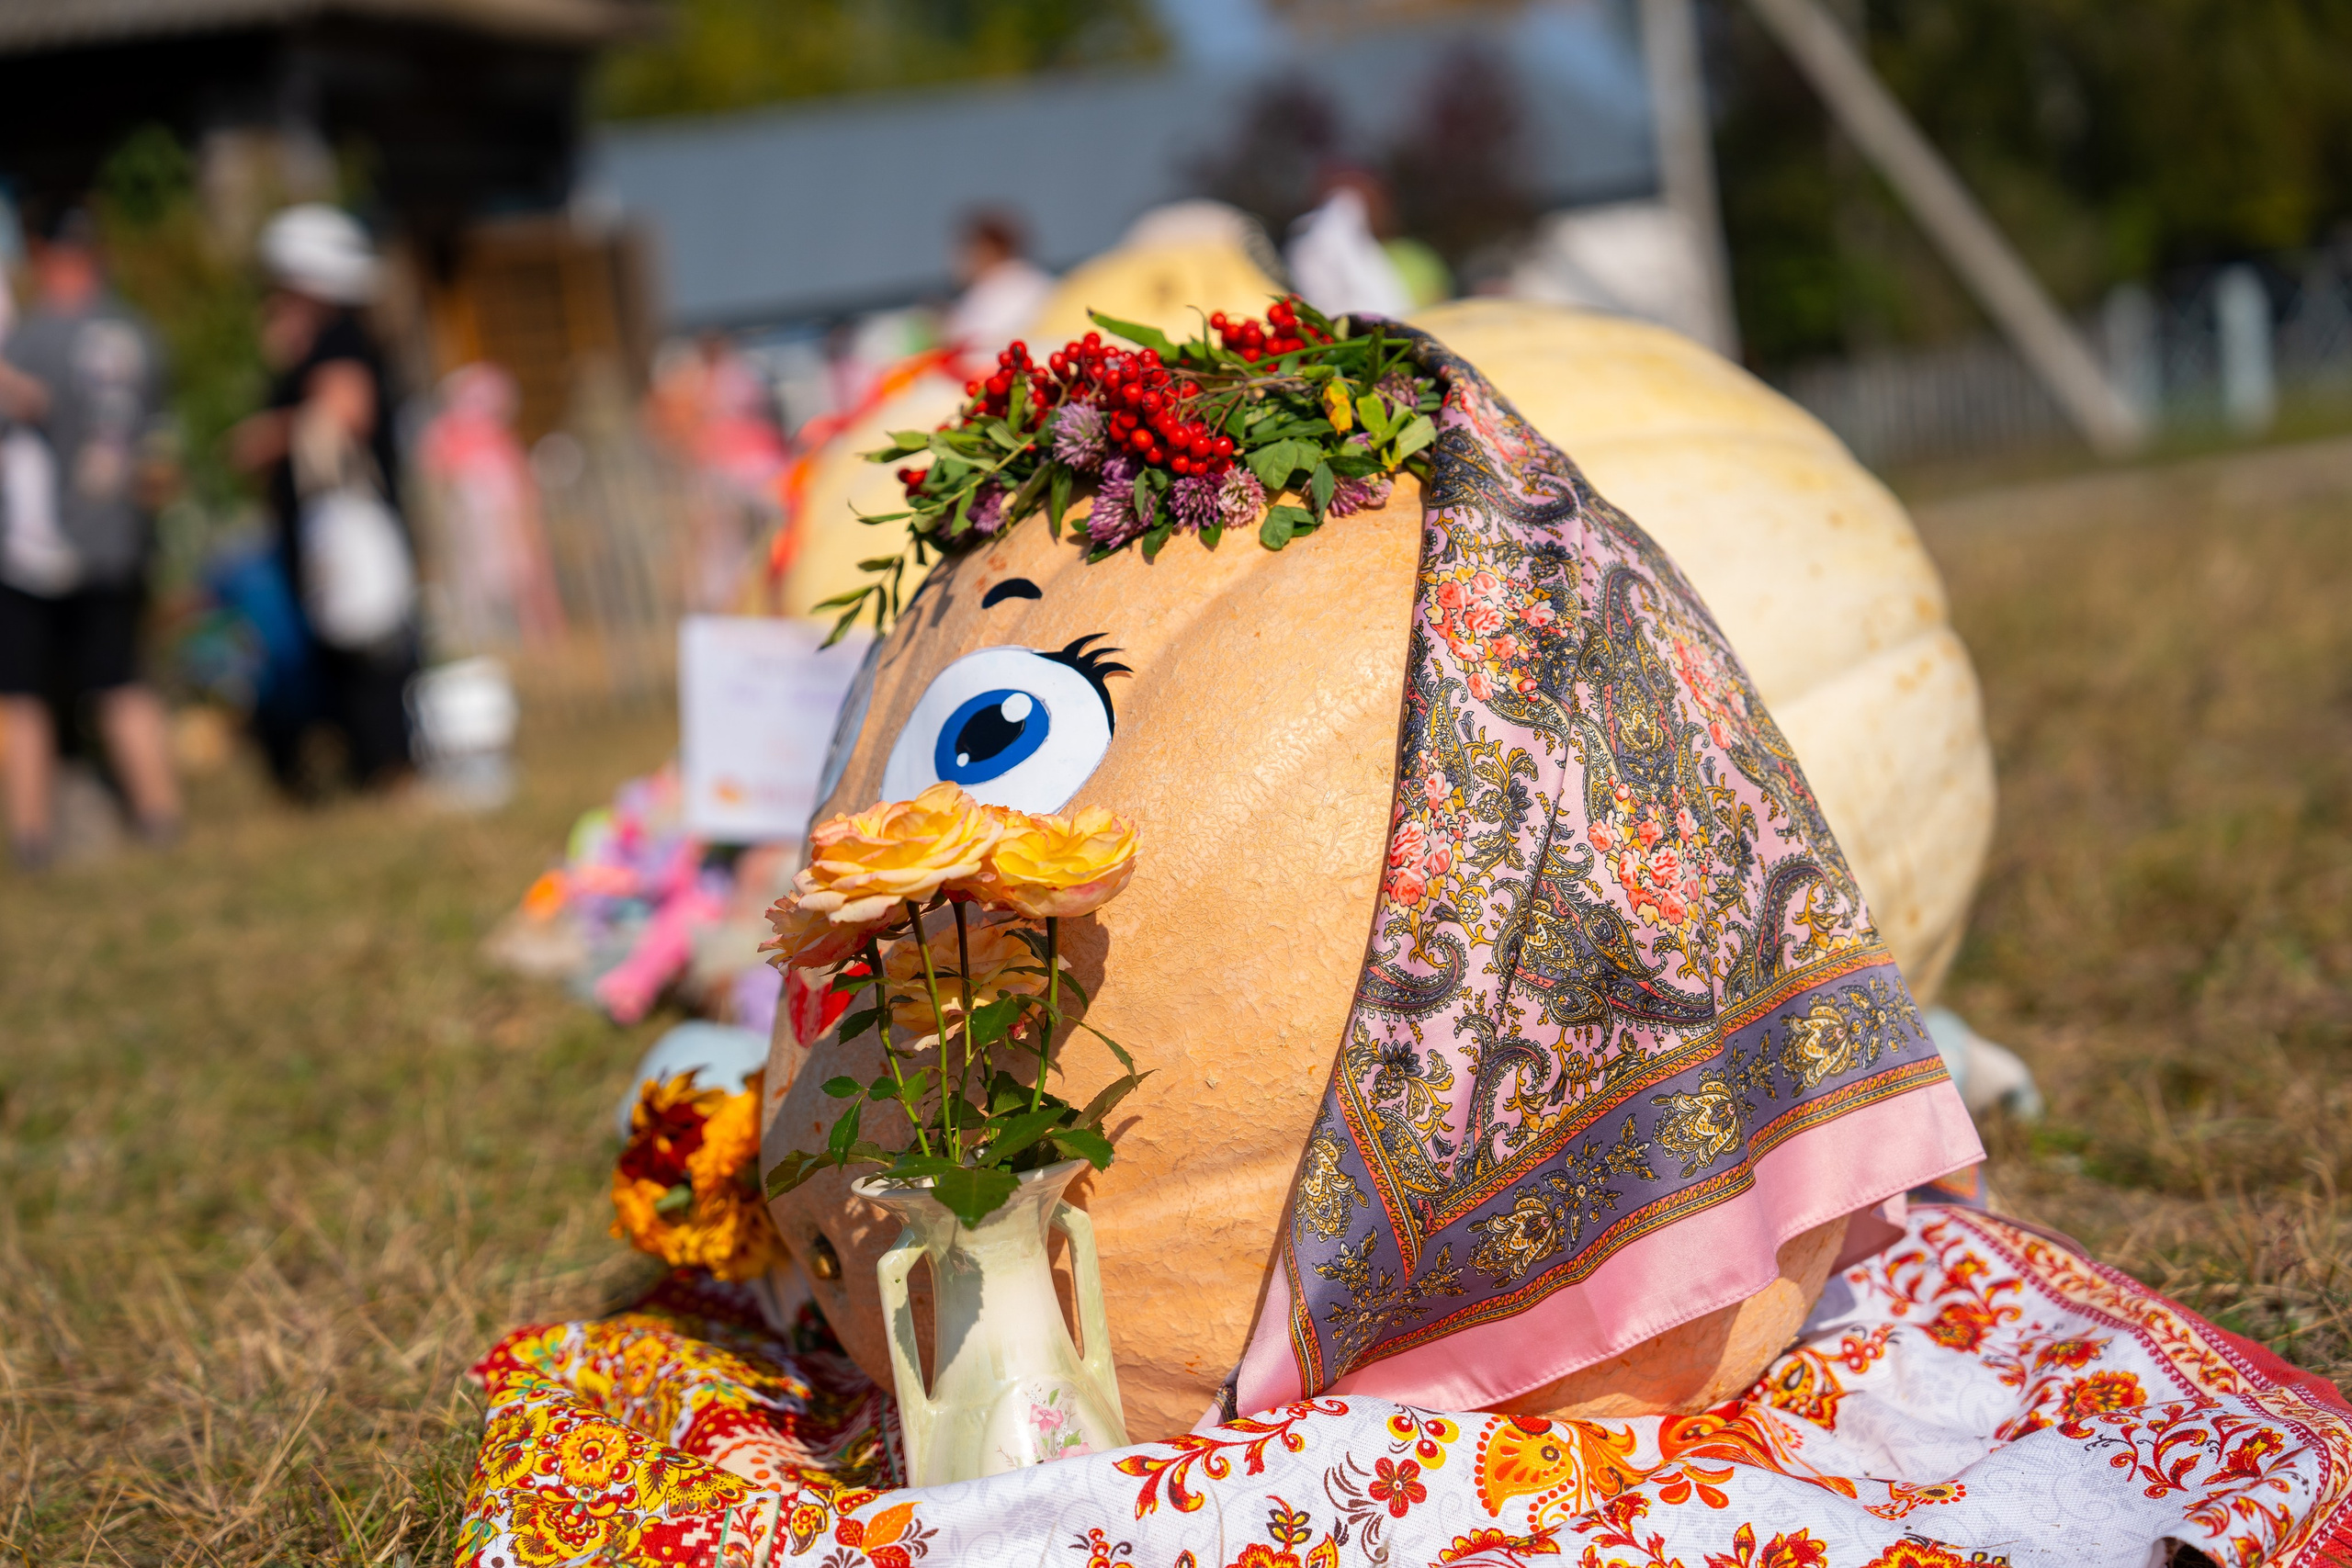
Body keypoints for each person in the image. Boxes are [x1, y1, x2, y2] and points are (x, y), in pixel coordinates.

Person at [0, 202, 181, 868]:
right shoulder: (141, 335)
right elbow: (159, 442)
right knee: (122, 682)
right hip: (118, 538)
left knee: (21, 695)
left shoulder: (34, 339)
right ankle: (161, 821)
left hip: (36, 546)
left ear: (48, 254)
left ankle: (30, 841)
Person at [228, 203, 416, 795]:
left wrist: (270, 436)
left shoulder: (340, 340)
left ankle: (387, 770)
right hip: (321, 534)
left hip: (345, 530)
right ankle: (363, 771)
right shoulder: (320, 341)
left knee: (367, 651)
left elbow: (345, 409)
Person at [942, 209, 1052, 357]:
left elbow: (975, 343)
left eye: (966, 249)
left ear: (988, 249)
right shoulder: (1036, 278)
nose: (957, 260)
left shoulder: (994, 288)